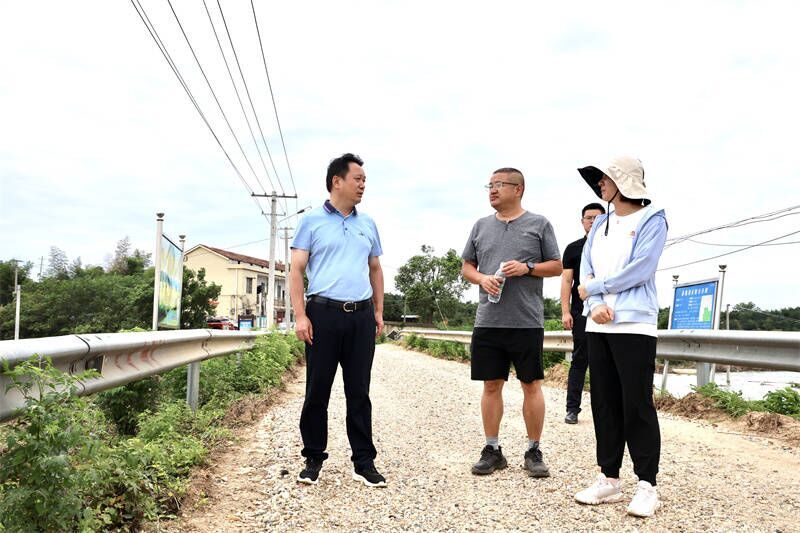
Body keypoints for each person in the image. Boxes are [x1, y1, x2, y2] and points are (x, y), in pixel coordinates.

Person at [572, 156, 667, 518]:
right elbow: (586, 268)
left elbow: (642, 267)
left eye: (605, 178)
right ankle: (608, 479)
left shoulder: (652, 218)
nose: (600, 184)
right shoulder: (602, 223)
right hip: (598, 322)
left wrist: (596, 287)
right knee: (605, 402)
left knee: (636, 403)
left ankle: (647, 484)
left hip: (634, 324)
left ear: (623, 181)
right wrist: (594, 301)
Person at [289, 153, 387, 488]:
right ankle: (313, 458)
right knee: (317, 390)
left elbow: (375, 269)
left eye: (364, 180)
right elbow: (297, 270)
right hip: (323, 315)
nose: (363, 185)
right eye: (358, 178)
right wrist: (300, 315)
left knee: (359, 391)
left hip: (360, 316)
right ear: (337, 181)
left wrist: (377, 311)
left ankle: (364, 462)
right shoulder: (311, 222)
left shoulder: (367, 223)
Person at [461, 167, 562, 478]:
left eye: (499, 185)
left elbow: (557, 266)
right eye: (489, 185)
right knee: (491, 385)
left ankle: (534, 450)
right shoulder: (480, 226)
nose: (492, 190)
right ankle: (492, 449)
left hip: (526, 321)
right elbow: (467, 267)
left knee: (531, 384)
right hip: (488, 320)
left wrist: (527, 267)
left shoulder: (539, 224)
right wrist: (482, 278)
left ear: (518, 189)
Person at [561, 202, 606, 424]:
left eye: (597, 217)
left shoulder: (613, 246)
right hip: (581, 313)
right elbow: (567, 281)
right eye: (589, 218)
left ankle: (605, 412)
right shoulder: (573, 248)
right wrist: (565, 311)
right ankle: (572, 409)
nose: (593, 221)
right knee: (580, 361)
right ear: (582, 221)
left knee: (605, 364)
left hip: (609, 312)